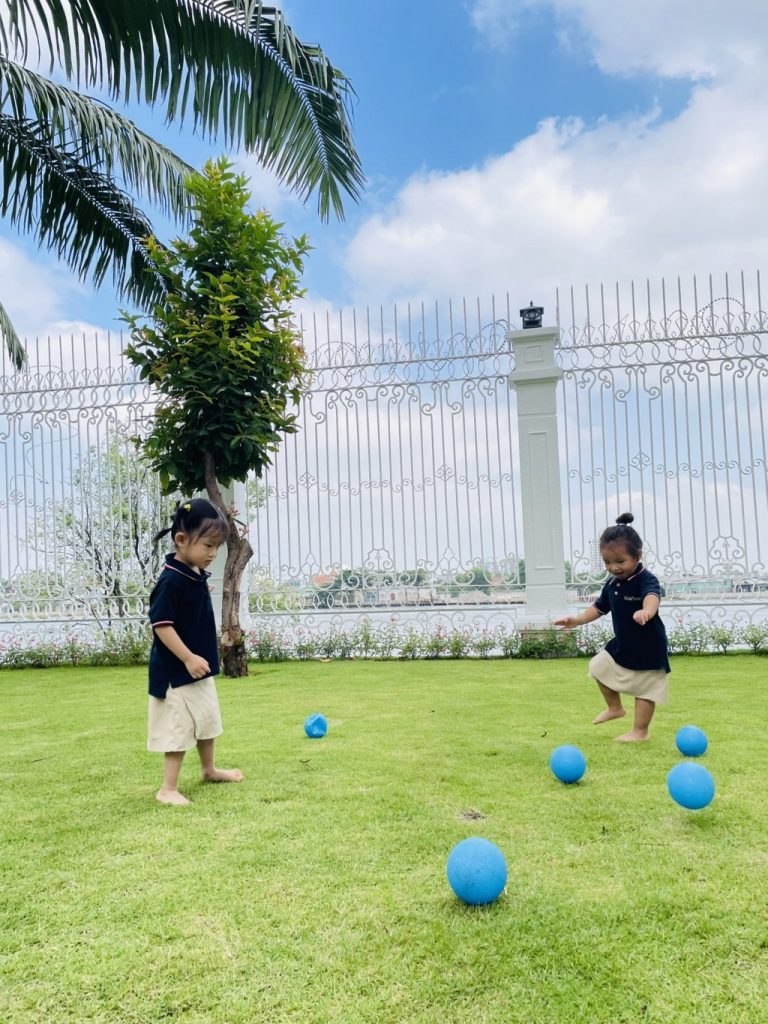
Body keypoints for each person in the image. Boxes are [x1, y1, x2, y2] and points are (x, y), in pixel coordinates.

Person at [147, 497, 243, 804]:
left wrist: (201, 591)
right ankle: (167, 789)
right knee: (179, 727)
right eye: (208, 546)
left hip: (198, 667)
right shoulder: (171, 580)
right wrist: (187, 658)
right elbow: (161, 625)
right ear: (181, 539)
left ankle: (208, 769)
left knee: (207, 718)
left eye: (217, 547)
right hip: (176, 672)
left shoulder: (191, 572)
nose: (213, 553)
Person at [555, 513, 670, 742]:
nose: (614, 567)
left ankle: (640, 732)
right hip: (623, 644)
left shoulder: (646, 579)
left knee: (645, 689)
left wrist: (647, 611)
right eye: (608, 562)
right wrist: (576, 620)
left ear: (638, 555)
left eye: (620, 561)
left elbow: (652, 597)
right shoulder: (612, 583)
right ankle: (615, 708)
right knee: (598, 666)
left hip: (649, 646)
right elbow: (598, 608)